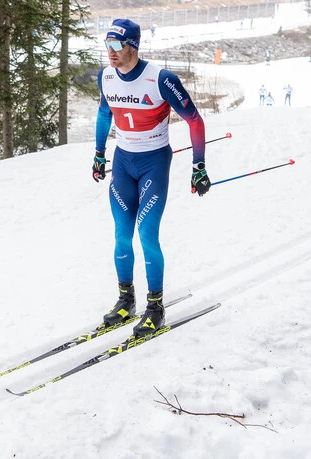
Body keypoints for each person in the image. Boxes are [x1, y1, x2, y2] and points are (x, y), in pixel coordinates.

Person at [92, 19, 210, 338]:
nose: (111, 52)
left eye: (117, 45)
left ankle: (155, 306)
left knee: (146, 233)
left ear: (133, 46)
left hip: (153, 163)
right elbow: (105, 113)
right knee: (121, 235)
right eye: (107, 45)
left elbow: (195, 120)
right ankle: (125, 300)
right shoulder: (106, 77)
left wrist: (198, 166)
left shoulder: (160, 79)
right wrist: (99, 153)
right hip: (123, 162)